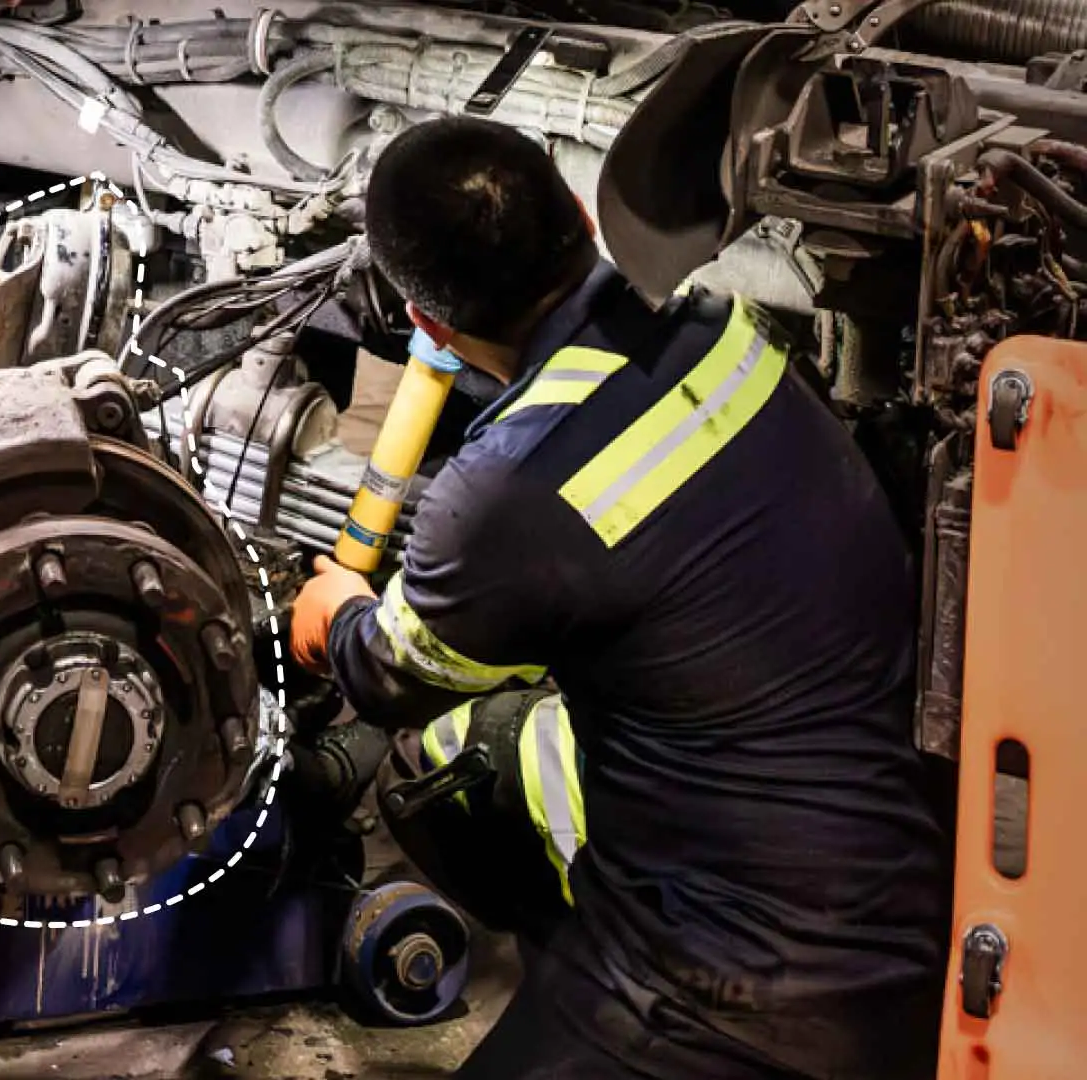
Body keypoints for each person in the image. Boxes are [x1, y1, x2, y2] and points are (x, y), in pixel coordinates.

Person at [290, 116, 950, 1078]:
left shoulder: (507, 489)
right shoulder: (725, 327)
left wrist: (338, 612)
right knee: (466, 757)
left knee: (429, 759)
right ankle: (579, 958)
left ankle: (621, 998)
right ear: (585, 221)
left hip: (750, 991)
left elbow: (393, 676)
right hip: (907, 879)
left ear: (428, 324)